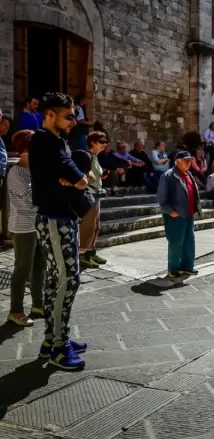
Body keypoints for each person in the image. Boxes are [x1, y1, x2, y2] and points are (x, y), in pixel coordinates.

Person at [29, 92, 90, 370]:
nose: (73, 121)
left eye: (74, 115)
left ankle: (53, 338)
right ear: (49, 115)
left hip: (63, 218)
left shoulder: (58, 142)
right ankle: (58, 348)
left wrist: (75, 178)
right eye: (68, 115)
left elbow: (77, 177)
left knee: (59, 280)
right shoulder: (44, 141)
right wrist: (76, 179)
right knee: (67, 280)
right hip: (54, 219)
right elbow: (80, 178)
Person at [6, 130, 45, 327]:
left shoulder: (34, 170)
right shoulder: (15, 172)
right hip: (22, 228)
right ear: (26, 150)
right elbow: (32, 198)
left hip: (36, 225)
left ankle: (38, 305)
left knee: (39, 266)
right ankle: (15, 311)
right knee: (22, 269)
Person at [157, 151, 200, 277]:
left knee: (189, 240)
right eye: (186, 161)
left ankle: (187, 266)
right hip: (175, 215)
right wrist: (171, 211)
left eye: (190, 160)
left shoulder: (188, 174)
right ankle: (173, 268)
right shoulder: (168, 175)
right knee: (176, 242)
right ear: (178, 161)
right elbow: (161, 198)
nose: (189, 163)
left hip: (188, 214)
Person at [72, 131, 109, 269]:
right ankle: (82, 255)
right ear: (92, 142)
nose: (104, 144)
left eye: (105, 142)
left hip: (96, 193)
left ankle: (90, 251)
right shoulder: (86, 156)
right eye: (101, 141)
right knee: (88, 225)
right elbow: (86, 175)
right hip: (88, 194)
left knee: (96, 225)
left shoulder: (95, 157)